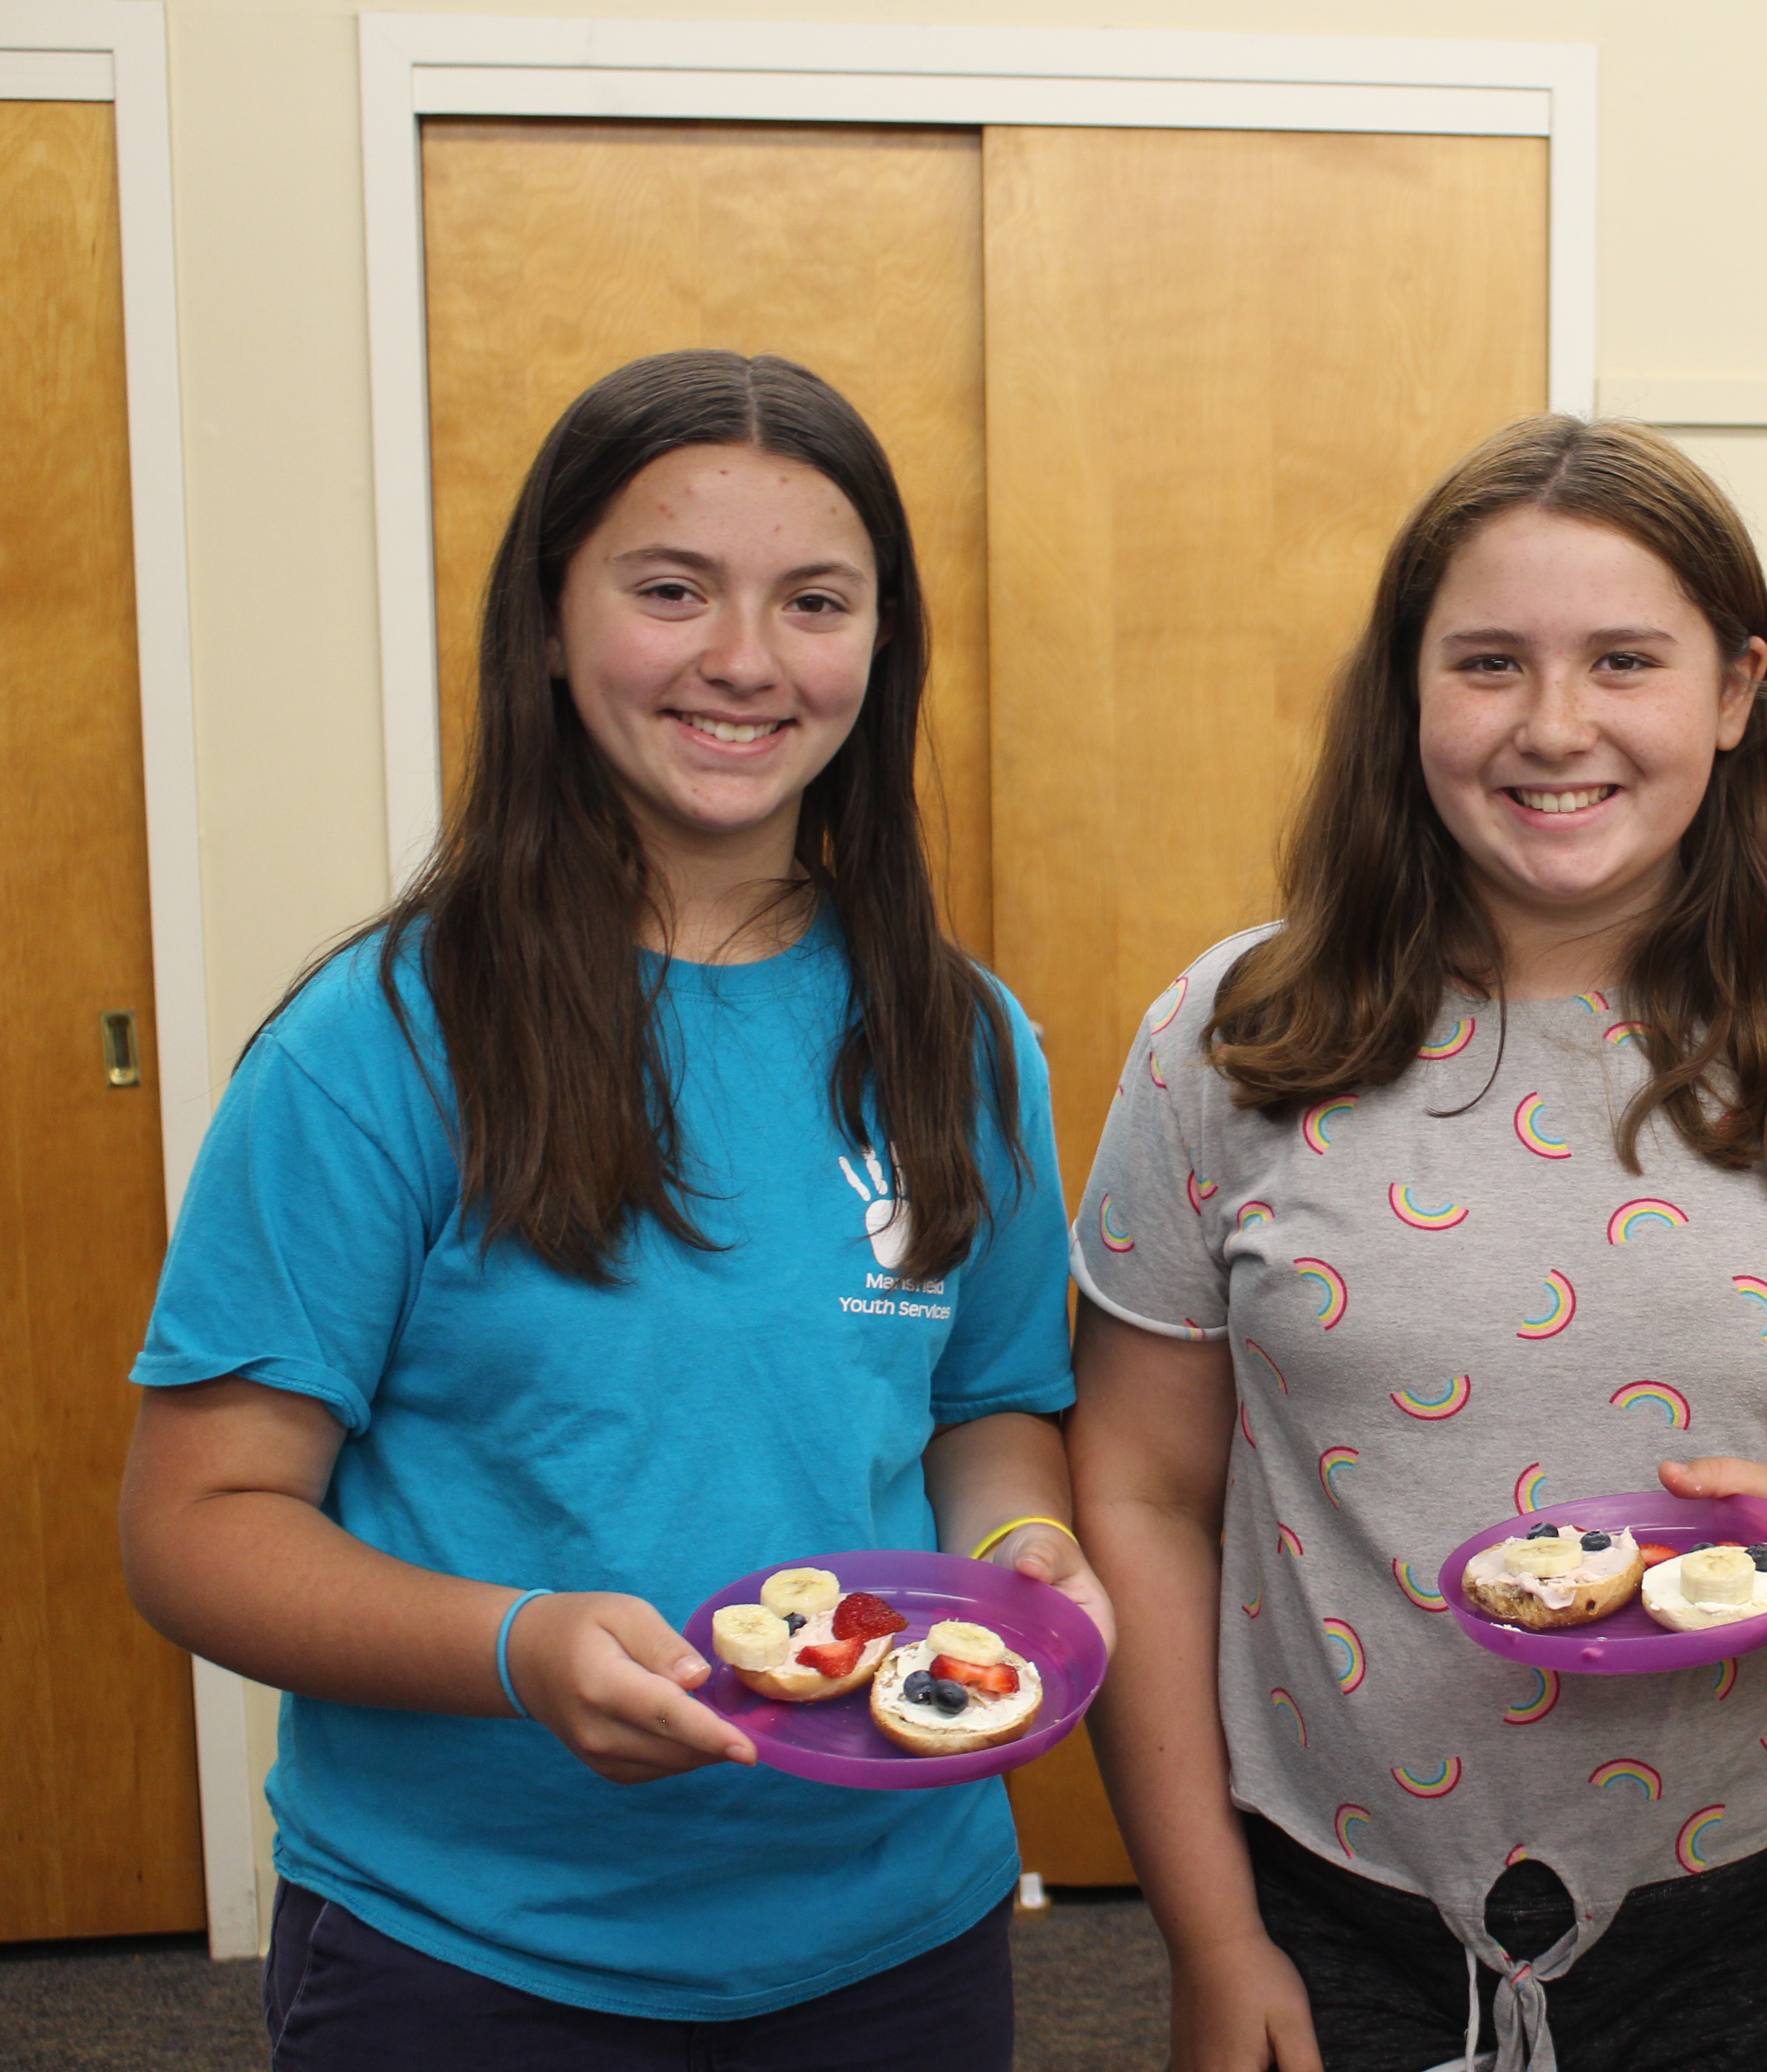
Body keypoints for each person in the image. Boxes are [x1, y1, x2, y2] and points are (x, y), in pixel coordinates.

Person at [117, 351, 1106, 2068]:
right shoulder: (380, 1044)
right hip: (476, 1955)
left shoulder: (963, 1039)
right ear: (551, 622)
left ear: (883, 645)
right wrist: (518, 1650)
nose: (744, 660)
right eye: (670, 591)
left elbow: (985, 1411)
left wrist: (1026, 1563)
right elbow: (201, 1522)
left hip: (899, 1933)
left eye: (816, 601)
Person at [1069, 415, 1767, 2072]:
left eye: (1623, 662)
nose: (1554, 727)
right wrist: (1209, 1928)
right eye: (1489, 664)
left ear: (1736, 693)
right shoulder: (1224, 1046)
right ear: (1407, 695)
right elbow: (1146, 1498)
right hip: (1334, 1893)